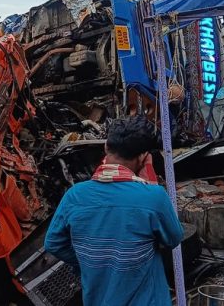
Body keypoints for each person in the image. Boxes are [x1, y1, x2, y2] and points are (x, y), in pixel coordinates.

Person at [44, 117, 184, 306]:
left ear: (106, 147)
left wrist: (89, 262)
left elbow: (53, 243)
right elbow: (174, 238)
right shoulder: (154, 196)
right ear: (143, 157)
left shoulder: (74, 196)